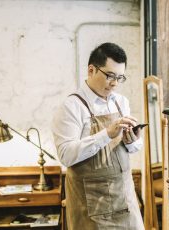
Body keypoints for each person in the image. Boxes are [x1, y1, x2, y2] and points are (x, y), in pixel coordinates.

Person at [52, 42, 144, 229]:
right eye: (110, 76)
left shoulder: (121, 102)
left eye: (120, 77)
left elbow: (133, 149)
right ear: (91, 70)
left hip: (125, 198)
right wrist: (107, 134)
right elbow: (66, 155)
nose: (115, 83)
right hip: (92, 205)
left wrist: (132, 140)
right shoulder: (71, 106)